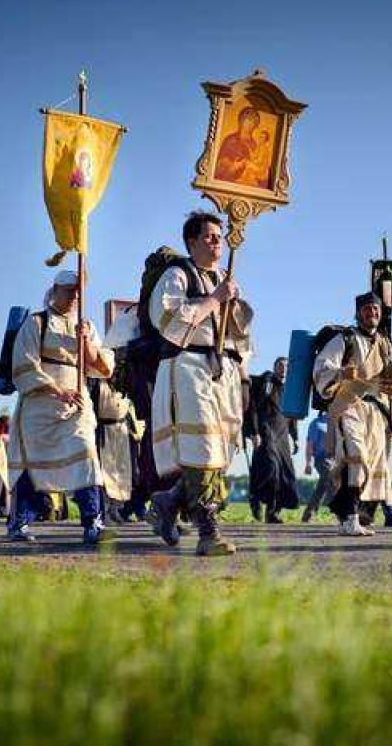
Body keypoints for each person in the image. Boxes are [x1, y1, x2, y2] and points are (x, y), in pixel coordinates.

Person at [148, 211, 253, 556]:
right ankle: (208, 532)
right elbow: (167, 320)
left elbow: (240, 337)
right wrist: (214, 300)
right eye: (208, 236)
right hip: (187, 366)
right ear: (191, 241)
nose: (216, 241)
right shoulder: (178, 275)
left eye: (219, 236)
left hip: (220, 371)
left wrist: (243, 377)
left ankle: (169, 501)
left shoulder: (225, 277)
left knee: (219, 454)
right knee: (203, 448)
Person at [6, 271, 117, 545]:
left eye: (78, 291)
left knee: (86, 455)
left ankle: (93, 522)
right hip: (39, 409)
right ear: (55, 290)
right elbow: (23, 366)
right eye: (69, 290)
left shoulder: (87, 327)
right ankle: (19, 523)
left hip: (76, 409)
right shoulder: (36, 323)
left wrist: (87, 344)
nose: (74, 296)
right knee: (32, 464)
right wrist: (58, 390)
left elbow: (104, 368)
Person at [313, 292, 392, 536]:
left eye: (376, 310)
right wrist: (341, 373)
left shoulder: (383, 342)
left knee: (371, 465)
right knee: (355, 456)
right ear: (358, 313)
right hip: (347, 405)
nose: (372, 313)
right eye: (368, 309)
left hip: (375, 412)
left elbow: (388, 382)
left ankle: (355, 515)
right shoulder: (344, 338)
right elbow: (322, 369)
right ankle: (349, 518)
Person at [246, 357, 299, 524]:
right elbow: (254, 407)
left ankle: (273, 512)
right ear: (274, 367)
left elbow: (292, 415)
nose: (283, 369)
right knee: (271, 469)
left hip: (282, 435)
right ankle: (255, 496)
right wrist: (254, 432)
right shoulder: (267, 382)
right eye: (280, 365)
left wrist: (295, 438)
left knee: (285, 474)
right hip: (266, 431)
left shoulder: (289, 389)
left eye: (286, 366)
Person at [89, 369, 143, 524]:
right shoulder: (97, 382)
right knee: (105, 473)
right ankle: (104, 511)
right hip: (104, 431)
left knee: (122, 472)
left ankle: (116, 509)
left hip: (122, 431)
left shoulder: (123, 383)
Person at [300, 411, 333, 522]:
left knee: (324, 485)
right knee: (328, 479)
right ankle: (342, 514)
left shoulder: (340, 421)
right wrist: (308, 462)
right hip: (322, 459)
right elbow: (310, 444)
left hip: (336, 460)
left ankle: (308, 514)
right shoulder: (317, 423)